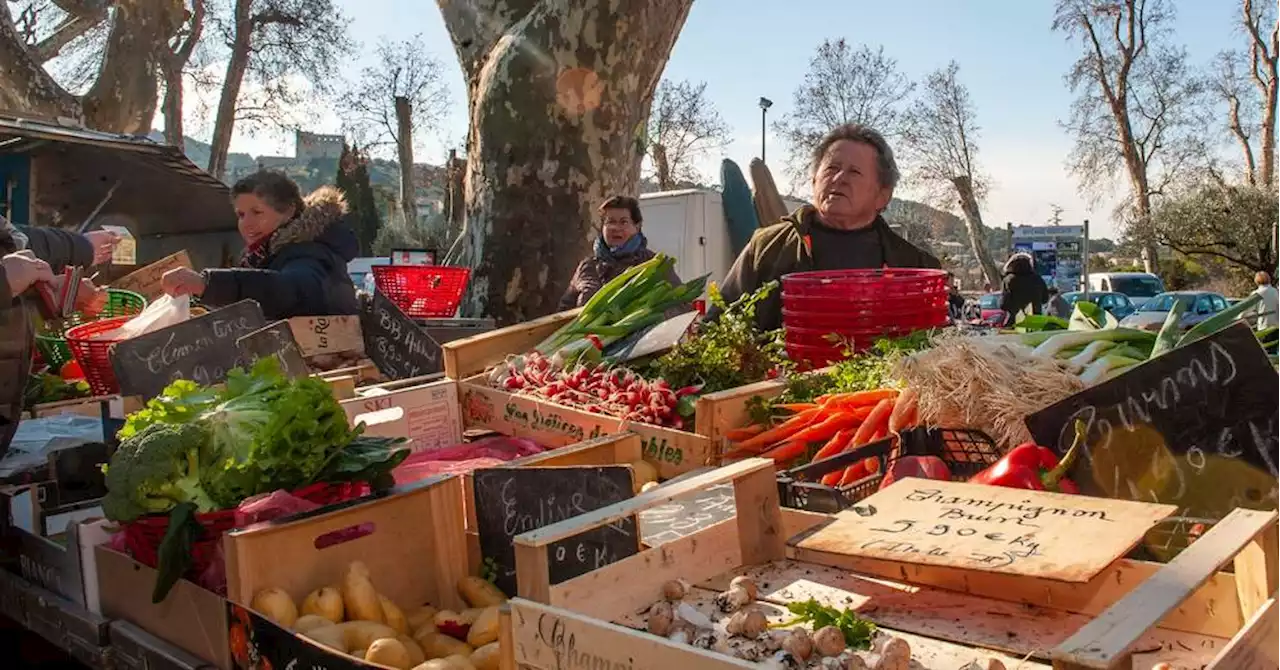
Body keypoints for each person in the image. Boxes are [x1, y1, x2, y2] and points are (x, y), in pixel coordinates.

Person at [715, 124, 940, 331]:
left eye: (854, 172)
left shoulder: (914, 267)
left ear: (883, 195)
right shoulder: (766, 249)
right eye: (832, 167)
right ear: (814, 180)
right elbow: (716, 328)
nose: (839, 178)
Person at [161, 171, 360, 320]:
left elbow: (290, 290)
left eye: (257, 212)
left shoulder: (310, 252)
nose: (246, 224)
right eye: (241, 215)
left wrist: (208, 284)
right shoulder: (263, 256)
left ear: (289, 211)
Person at [559, 195, 681, 310]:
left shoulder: (655, 265)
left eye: (623, 222)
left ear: (637, 227)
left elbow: (680, 306)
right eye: (610, 221)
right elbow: (563, 311)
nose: (615, 228)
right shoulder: (587, 266)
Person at [999, 252, 1049, 326]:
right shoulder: (1038, 279)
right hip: (1036, 320)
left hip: (1015, 321)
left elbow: (1003, 304)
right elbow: (1045, 299)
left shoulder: (1008, 280)